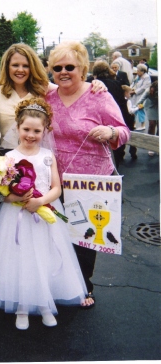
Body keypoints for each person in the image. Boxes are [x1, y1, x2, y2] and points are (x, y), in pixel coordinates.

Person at [0, 98, 91, 331]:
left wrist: (40, 201)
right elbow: (2, 194)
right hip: (17, 217)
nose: (31, 135)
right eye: (26, 130)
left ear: (45, 130)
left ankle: (44, 303)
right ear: (17, 128)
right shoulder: (8, 158)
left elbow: (56, 188)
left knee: (45, 256)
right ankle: (22, 305)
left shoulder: (47, 156)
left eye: (37, 130)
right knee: (20, 258)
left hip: (44, 216)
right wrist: (17, 198)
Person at [46, 41, 130, 304]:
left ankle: (83, 286)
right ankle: (59, 282)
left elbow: (124, 131)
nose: (63, 72)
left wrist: (111, 132)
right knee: (56, 232)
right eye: (57, 67)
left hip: (91, 182)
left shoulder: (99, 96)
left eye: (69, 66)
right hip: (56, 179)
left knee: (84, 235)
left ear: (82, 68)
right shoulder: (47, 97)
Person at [92, 60, 134, 167]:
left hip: (95, 123)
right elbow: (121, 104)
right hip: (114, 121)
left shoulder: (89, 83)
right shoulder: (116, 84)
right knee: (116, 151)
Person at [136, 80, 158, 156]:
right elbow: (141, 100)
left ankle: (157, 144)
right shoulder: (148, 91)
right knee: (152, 124)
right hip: (150, 107)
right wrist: (138, 105)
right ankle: (151, 146)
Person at [130, 63, 151, 130]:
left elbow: (144, 88)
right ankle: (133, 124)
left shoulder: (146, 77)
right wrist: (130, 89)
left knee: (140, 110)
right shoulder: (137, 77)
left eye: (138, 70)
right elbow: (133, 84)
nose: (137, 72)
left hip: (141, 96)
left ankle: (143, 125)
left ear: (143, 71)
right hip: (134, 96)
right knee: (133, 110)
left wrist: (135, 91)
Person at [121, 85, 138, 160]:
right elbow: (130, 111)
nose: (130, 95)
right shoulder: (128, 101)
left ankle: (121, 153)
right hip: (129, 121)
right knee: (132, 137)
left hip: (122, 120)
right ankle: (133, 153)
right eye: (129, 93)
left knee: (122, 136)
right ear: (125, 93)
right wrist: (138, 108)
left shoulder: (119, 101)